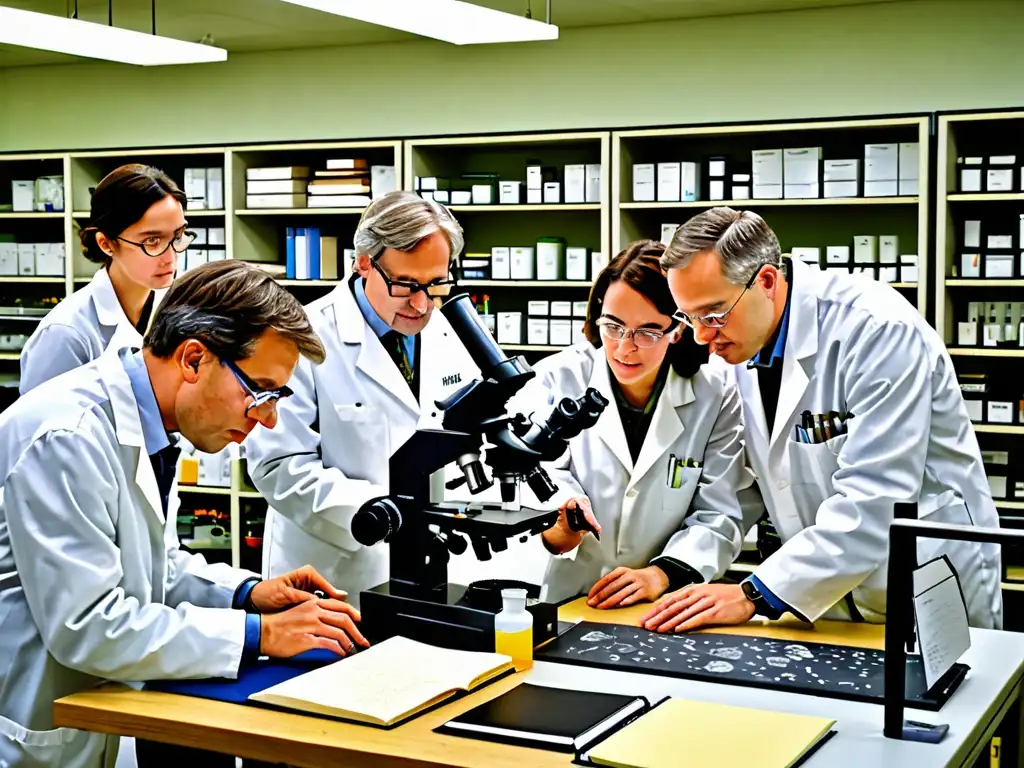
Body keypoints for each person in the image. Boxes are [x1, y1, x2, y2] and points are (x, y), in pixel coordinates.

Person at [0, 260, 368, 768]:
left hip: (91, 712)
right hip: (31, 725)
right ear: (194, 359)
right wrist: (260, 634)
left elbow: (153, 565)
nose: (268, 418)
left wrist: (248, 595)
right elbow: (88, 625)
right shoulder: (67, 436)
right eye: (259, 391)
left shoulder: (151, 426)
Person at [641, 206, 1002, 634]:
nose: (702, 336)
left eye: (713, 315)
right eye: (690, 318)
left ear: (767, 282)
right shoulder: (741, 343)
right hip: (824, 597)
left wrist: (752, 594)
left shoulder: (877, 330)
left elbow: (877, 498)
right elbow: (744, 487)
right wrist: (671, 570)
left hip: (919, 580)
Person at [244, 191, 481, 606]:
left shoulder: (448, 333)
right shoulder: (303, 339)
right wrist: (372, 510)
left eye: (436, 283)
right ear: (364, 262)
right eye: (406, 284)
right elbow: (277, 465)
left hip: (429, 565)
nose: (423, 304)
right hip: (336, 573)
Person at [519, 240, 758, 608]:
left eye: (647, 332)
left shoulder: (716, 393)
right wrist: (561, 524)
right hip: (573, 595)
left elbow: (719, 513)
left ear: (678, 329)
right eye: (613, 326)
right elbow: (535, 478)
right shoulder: (559, 377)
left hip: (665, 603)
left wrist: (659, 574)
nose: (623, 348)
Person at [19, 163, 189, 393]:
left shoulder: (175, 307)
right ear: (106, 244)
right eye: (151, 241)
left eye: (178, 237)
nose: (171, 257)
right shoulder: (66, 334)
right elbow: (38, 424)